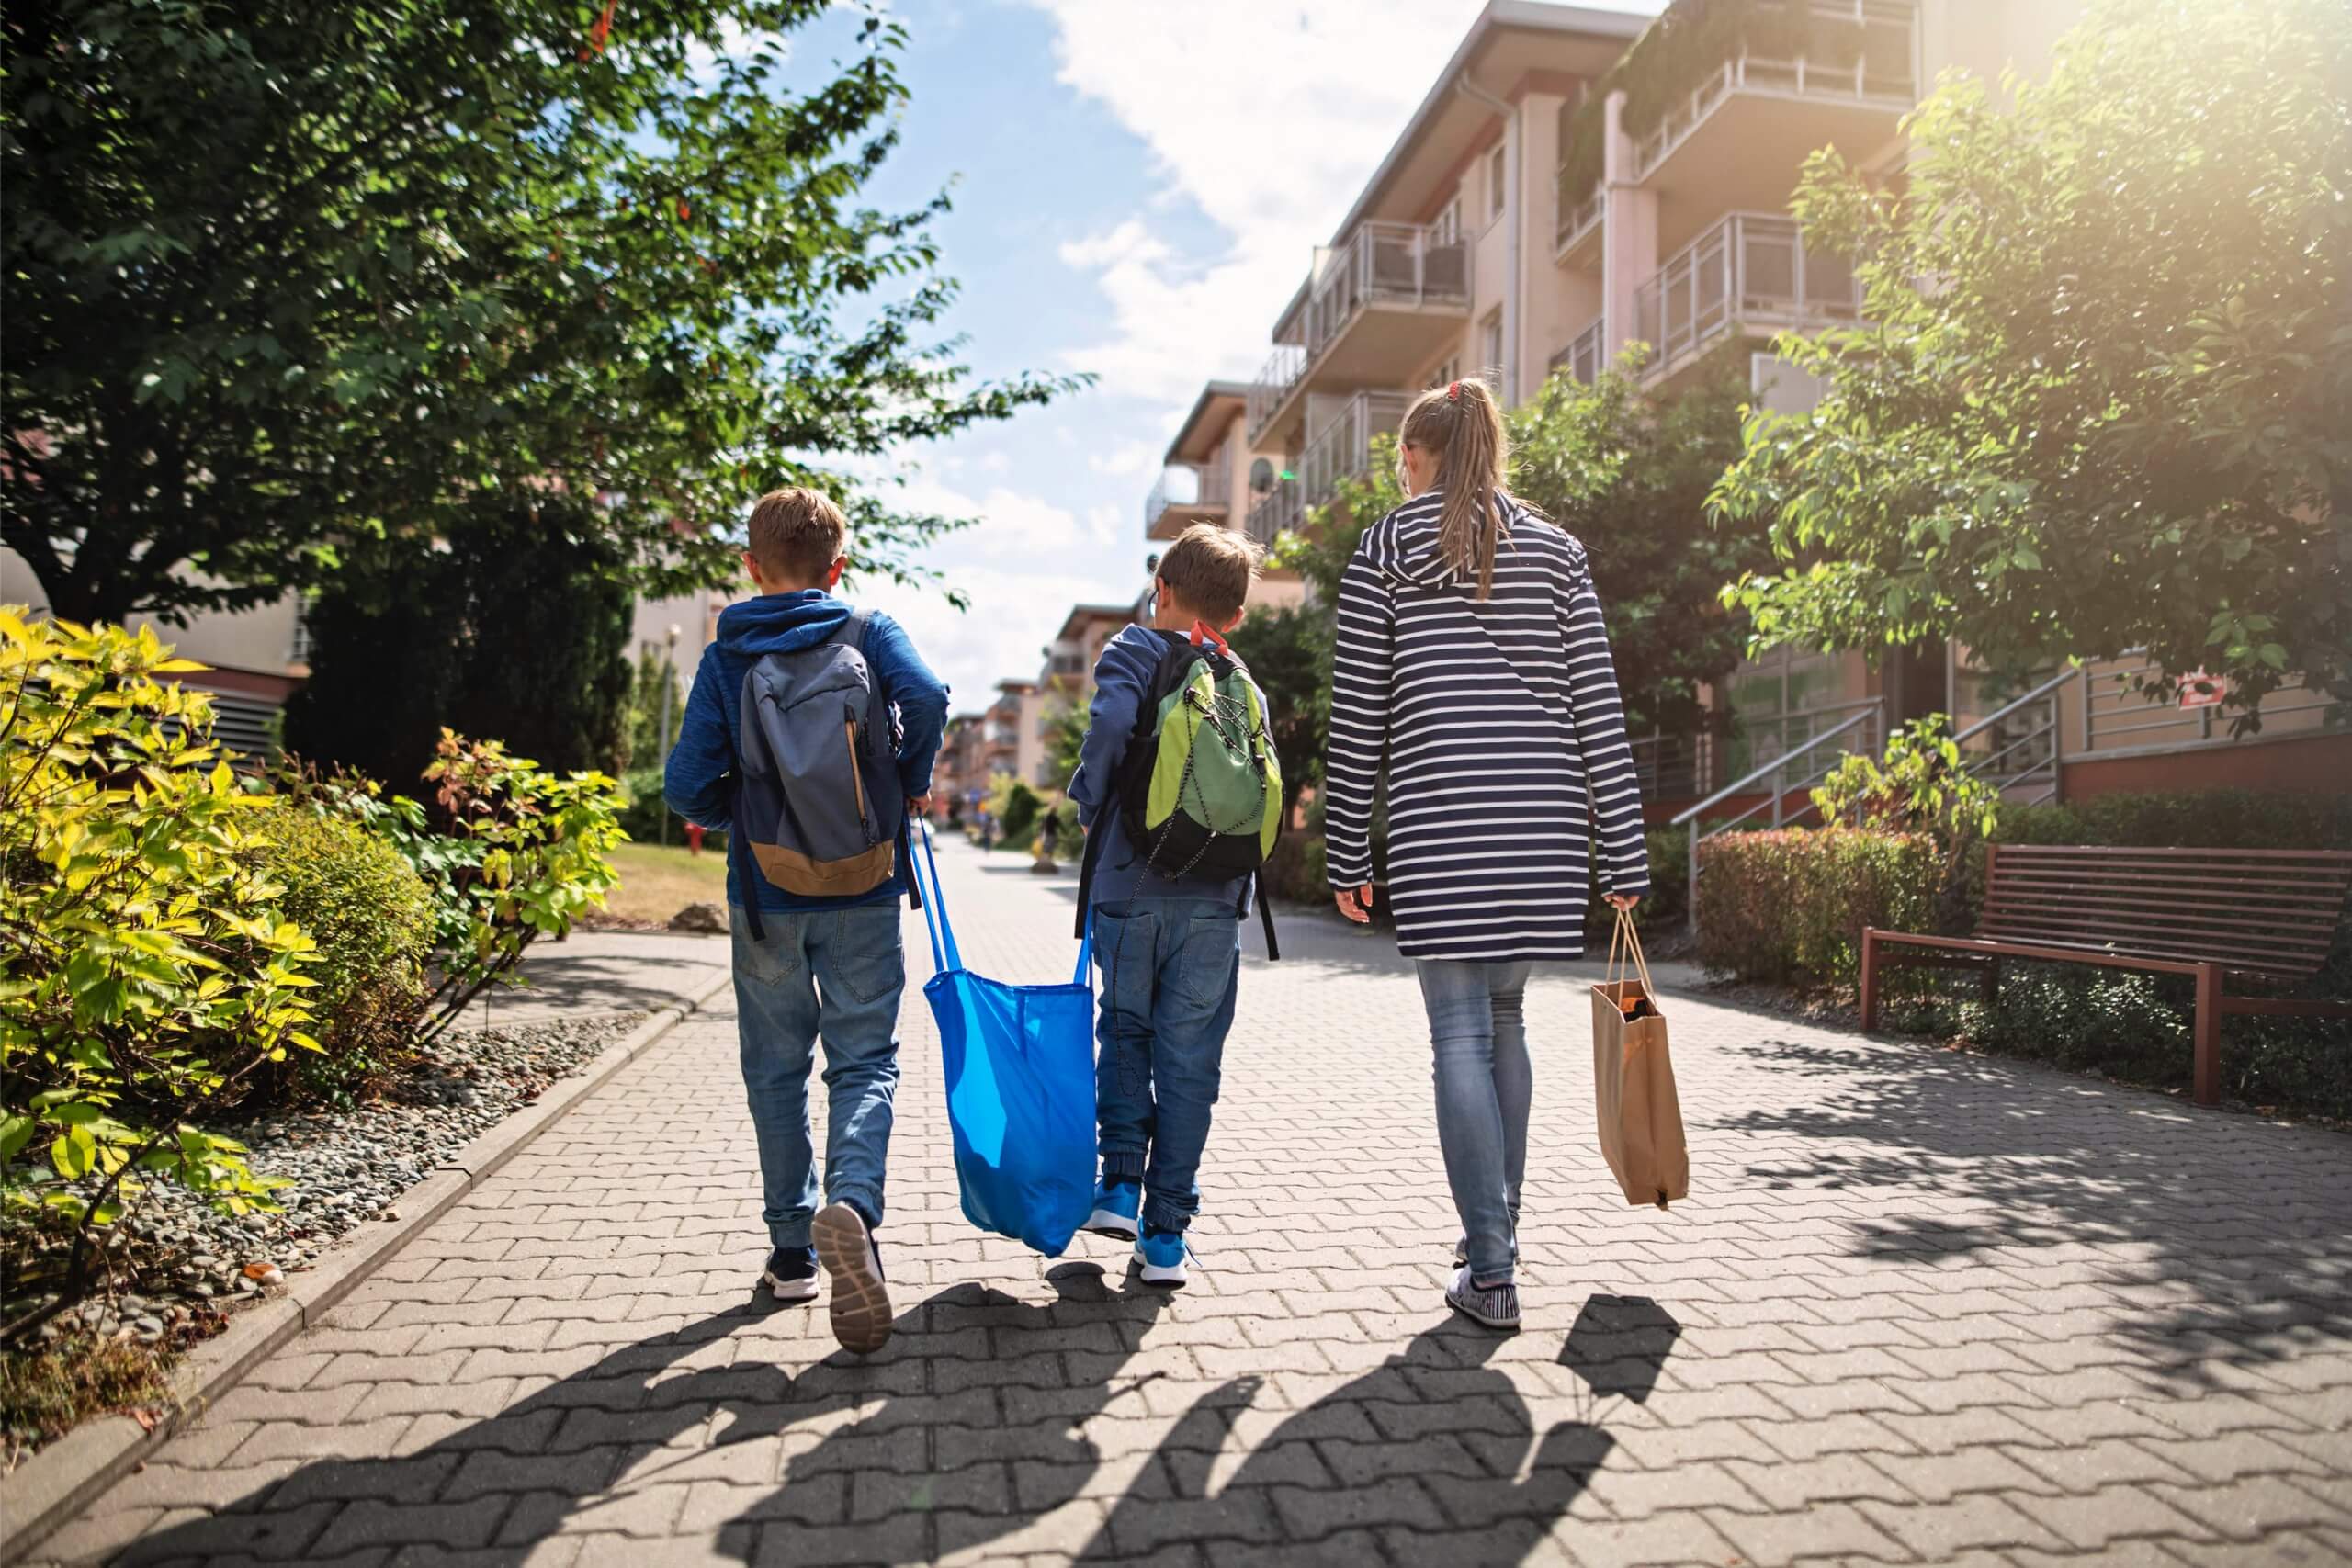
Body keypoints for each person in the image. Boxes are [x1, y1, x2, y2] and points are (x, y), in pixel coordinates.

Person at [1322, 378, 1647, 1333]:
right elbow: (1598, 704)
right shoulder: (1558, 552)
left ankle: (1494, 1266)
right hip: (1543, 827)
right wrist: (1622, 849)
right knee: (1505, 1020)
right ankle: (1491, 1239)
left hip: (1441, 820)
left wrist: (1347, 849)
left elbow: (1359, 715)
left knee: (1458, 1032)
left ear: (1417, 456)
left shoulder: (1386, 548)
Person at [664, 487, 949, 1353]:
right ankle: (854, 1205)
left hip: (767, 896)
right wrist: (904, 784)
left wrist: (744, 812)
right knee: (865, 1060)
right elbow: (930, 696)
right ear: (839, 566)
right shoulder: (871, 629)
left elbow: (683, 785)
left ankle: (791, 1254)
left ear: (751, 567)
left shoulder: (728, 652)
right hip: (864, 883)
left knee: (776, 1070)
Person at [1066, 523, 1268, 1289]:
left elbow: (1113, 726)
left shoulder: (1134, 650)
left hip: (1129, 884)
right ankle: (1165, 1238)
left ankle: (1118, 1186)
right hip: (1216, 899)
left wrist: (1091, 802)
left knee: (1124, 1030)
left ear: (1162, 589)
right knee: (1191, 1062)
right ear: (1237, 613)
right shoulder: (1240, 676)